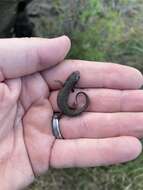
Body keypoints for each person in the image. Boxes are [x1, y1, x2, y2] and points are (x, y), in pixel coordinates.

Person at [0, 36, 142, 189]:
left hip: (65, 109)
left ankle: (75, 109)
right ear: (73, 81)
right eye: (76, 77)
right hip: (65, 110)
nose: (77, 77)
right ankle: (74, 109)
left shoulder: (66, 84)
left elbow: (64, 86)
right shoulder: (71, 87)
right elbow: (68, 89)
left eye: (76, 77)